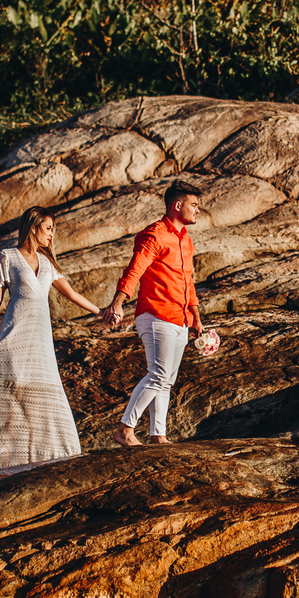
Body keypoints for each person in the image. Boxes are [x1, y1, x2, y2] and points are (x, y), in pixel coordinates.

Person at [0, 206, 102, 475]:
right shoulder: (7, 256)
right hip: (15, 332)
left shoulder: (47, 263)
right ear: (33, 227)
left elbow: (71, 294)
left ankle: (38, 460)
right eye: (48, 229)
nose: (51, 235)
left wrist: (100, 311)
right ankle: (6, 465)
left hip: (41, 340)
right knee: (15, 397)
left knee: (43, 394)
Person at [100, 181, 205, 447]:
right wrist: (118, 302)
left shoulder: (186, 239)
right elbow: (134, 270)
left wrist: (196, 317)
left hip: (180, 317)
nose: (198, 210)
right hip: (156, 313)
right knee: (158, 374)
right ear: (177, 205)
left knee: (166, 381)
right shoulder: (155, 235)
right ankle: (125, 429)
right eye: (194, 205)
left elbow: (188, 282)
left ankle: (158, 435)